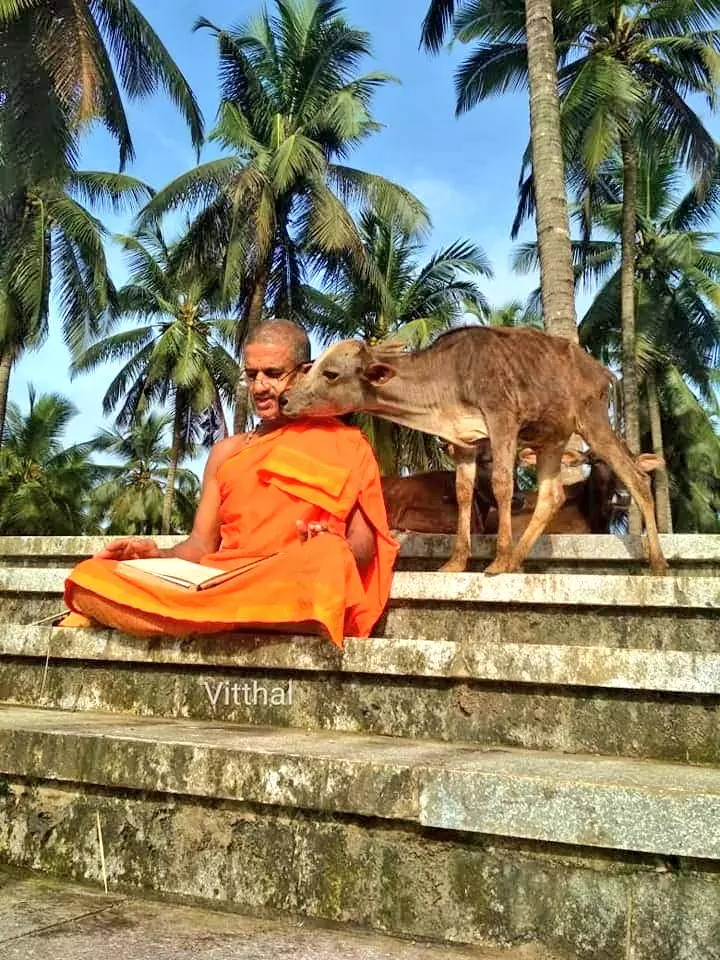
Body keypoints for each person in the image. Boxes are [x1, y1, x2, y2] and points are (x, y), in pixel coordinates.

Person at [61, 319, 399, 648]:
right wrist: (154, 555)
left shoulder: (348, 444)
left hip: (291, 576)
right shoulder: (228, 452)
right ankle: (236, 616)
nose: (260, 387)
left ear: (305, 372)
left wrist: (330, 541)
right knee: (91, 575)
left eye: (273, 374)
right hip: (221, 580)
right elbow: (199, 547)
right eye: (252, 375)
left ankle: (190, 618)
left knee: (329, 559)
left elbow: (364, 546)